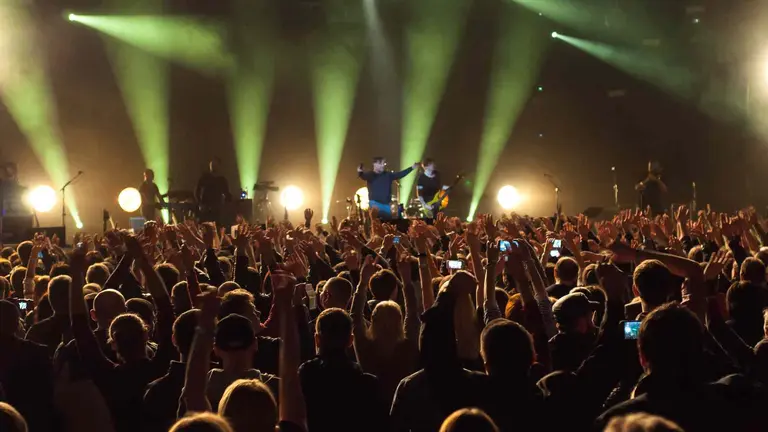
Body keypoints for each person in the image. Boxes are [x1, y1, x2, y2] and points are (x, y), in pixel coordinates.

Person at [196, 158, 232, 224]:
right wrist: (200, 203)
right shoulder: (205, 178)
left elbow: (227, 194)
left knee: (215, 226)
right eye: (212, 165)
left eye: (215, 165)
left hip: (216, 208)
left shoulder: (221, 180)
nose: (213, 167)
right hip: (206, 207)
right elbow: (197, 191)